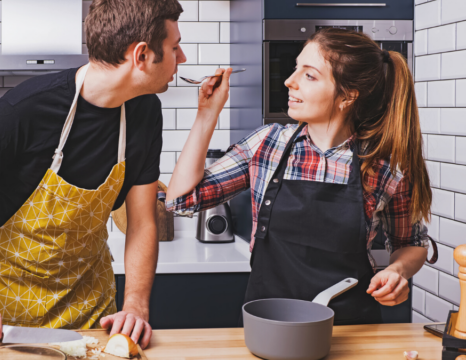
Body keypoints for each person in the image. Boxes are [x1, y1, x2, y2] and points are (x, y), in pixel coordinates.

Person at [0, 0, 186, 348]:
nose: (181, 58)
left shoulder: (144, 112)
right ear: (141, 55)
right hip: (8, 315)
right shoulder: (24, 110)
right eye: (174, 47)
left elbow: (142, 221)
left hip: (93, 313)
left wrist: (136, 306)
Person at [166, 28, 438, 325]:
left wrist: (397, 271)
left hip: (351, 330)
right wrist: (207, 114)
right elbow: (181, 201)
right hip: (269, 326)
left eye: (309, 75)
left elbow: (411, 243)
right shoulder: (267, 145)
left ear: (347, 96)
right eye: (296, 69)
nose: (289, 81)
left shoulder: (384, 167)